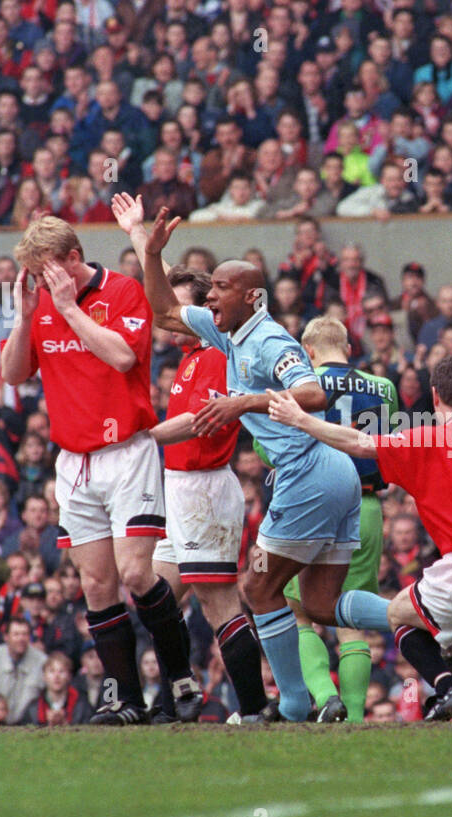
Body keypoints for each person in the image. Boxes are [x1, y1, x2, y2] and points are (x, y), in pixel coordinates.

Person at [143, 208, 385, 723]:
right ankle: (422, 618)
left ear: (252, 297)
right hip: (337, 474)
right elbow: (164, 311)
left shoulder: (270, 340)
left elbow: (314, 392)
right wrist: (150, 252)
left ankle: (293, 705)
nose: (210, 297)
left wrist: (243, 403)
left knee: (256, 587)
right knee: (320, 605)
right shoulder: (229, 332)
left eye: (221, 288)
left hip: (308, 474)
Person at [269, 353, 452, 719]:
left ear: (435, 396)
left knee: (398, 614)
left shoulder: (430, 439)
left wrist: (300, 419)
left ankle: (447, 688)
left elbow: (361, 444)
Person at [1, 215, 194, 725]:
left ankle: (181, 683)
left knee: (136, 573)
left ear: (72, 258)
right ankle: (127, 701)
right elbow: (13, 373)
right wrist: (25, 318)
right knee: (97, 586)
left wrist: (67, 308)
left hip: (126, 452)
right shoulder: (40, 302)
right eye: (36, 278)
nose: (44, 284)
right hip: (74, 461)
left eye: (48, 274)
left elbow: (124, 357)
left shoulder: (124, 290)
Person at [112, 192, 268, 721]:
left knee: (217, 604)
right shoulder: (187, 358)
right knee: (153, 593)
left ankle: (252, 710)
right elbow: (158, 303)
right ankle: (179, 692)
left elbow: (197, 422)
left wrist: (141, 439)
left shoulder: (220, 353)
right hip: (178, 492)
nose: (169, 321)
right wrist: (142, 242)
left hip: (205, 489)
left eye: (183, 311)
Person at [281, 316, 397, 722]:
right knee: (348, 617)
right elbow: (388, 448)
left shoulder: (300, 388)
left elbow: (269, 448)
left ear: (307, 352)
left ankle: (325, 698)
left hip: (310, 503)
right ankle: (352, 717)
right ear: (348, 348)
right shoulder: (383, 388)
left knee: (298, 610)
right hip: (364, 505)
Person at [0, 618, 48, 725]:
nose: (21, 638)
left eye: (25, 634)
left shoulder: (42, 661)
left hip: (29, 726)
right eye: (16, 634)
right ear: (6, 637)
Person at [19, 651, 94, 725]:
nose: (56, 676)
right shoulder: (33, 708)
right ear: (44, 676)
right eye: (51, 671)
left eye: (61, 671)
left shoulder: (82, 705)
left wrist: (65, 724)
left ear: (69, 676)